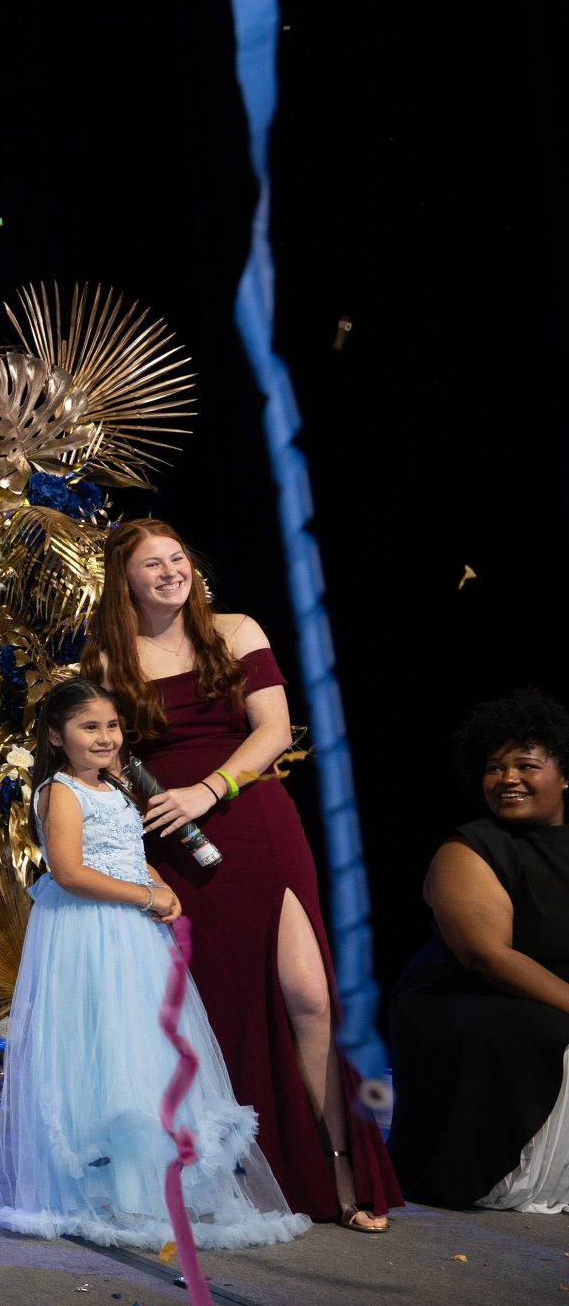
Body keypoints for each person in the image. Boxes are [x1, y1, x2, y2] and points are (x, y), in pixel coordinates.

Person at [82, 519, 401, 1230]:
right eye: (151, 564)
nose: (170, 571)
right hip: (170, 839)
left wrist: (210, 788)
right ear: (124, 580)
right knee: (219, 1011)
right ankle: (252, 1172)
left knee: (310, 995)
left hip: (254, 819)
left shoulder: (236, 630)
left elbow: (275, 730)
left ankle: (338, 1165)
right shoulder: (108, 657)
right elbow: (102, 753)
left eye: (178, 557)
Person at [0, 680, 309, 1249]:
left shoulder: (116, 785)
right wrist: (144, 897)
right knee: (103, 1043)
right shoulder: (59, 791)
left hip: (130, 933)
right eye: (90, 727)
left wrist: (159, 884)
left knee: (141, 1044)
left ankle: (148, 1180)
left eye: (112, 726)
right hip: (88, 930)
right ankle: (105, 1181)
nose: (106, 737)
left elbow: (126, 853)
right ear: (58, 737)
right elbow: (68, 872)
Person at [389, 689, 569, 1212]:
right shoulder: (469, 848)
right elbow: (488, 957)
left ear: (564, 774)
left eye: (526, 765)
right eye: (494, 768)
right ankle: (506, 1177)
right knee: (553, 1033)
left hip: (540, 995)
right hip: (463, 1000)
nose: (507, 778)